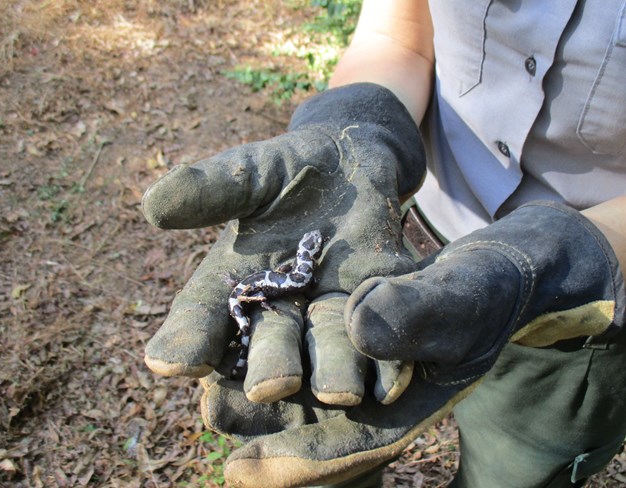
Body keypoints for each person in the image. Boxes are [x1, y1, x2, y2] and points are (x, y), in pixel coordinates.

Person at [141, 1, 626, 486]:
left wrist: (573, 250)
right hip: (408, 248)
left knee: (519, 472)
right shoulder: (310, 267)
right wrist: (357, 127)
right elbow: (400, 36)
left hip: (584, 302)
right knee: (336, 422)